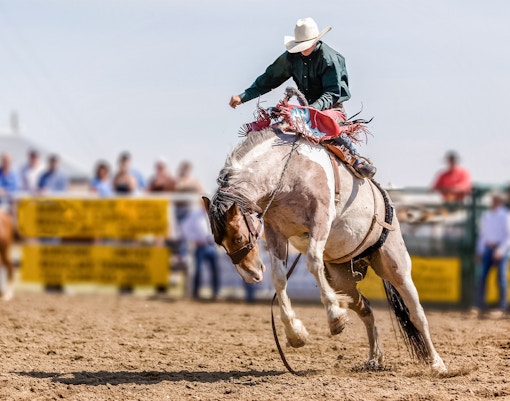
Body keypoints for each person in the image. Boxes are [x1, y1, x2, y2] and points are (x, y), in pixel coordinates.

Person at [229, 17, 375, 178]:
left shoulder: (330, 59)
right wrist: (243, 97)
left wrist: (310, 110)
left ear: (315, 42)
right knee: (274, 124)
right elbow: (270, 78)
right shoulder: (292, 57)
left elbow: (332, 93)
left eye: (305, 46)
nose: (302, 50)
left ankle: (355, 158)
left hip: (331, 110)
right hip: (304, 111)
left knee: (327, 124)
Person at [474, 193, 510, 317]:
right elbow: (483, 236)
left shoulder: (506, 215)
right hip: (488, 249)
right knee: (482, 277)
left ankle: (502, 307)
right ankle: (480, 306)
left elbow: (508, 236)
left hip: (500, 249)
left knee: (501, 279)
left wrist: (500, 250)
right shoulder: (487, 216)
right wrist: (480, 251)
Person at [180, 202, 220, 300]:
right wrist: (194, 238)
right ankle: (196, 293)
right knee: (198, 270)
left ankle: (215, 293)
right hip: (200, 246)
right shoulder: (195, 215)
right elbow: (185, 228)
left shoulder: (215, 215)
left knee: (214, 270)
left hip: (212, 246)